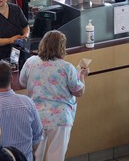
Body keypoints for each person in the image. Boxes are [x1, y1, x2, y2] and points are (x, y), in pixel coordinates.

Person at [19, 30, 89, 161]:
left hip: (36, 118)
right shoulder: (67, 68)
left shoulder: (31, 62)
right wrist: (82, 76)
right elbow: (79, 91)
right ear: (62, 47)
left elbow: (22, 82)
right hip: (60, 120)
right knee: (55, 157)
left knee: (35, 156)